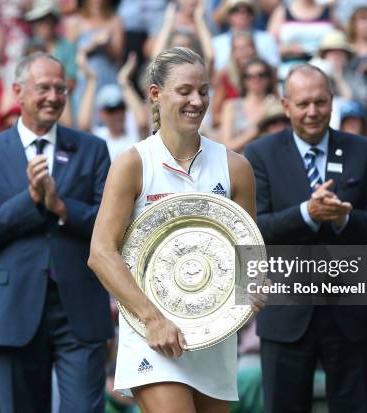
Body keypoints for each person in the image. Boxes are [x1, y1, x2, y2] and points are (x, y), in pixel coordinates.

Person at [88, 47, 262, 413]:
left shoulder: (237, 168)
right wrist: (152, 319)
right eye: (184, 91)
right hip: (154, 337)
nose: (196, 101)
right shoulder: (132, 163)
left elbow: (248, 257)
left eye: (203, 90)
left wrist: (253, 288)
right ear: (156, 94)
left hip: (214, 340)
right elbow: (101, 253)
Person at [244, 64, 367, 412]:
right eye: (302, 104)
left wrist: (345, 218)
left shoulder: (364, 150)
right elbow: (253, 230)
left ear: (332, 101)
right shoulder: (260, 154)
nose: (312, 112)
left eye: (320, 102)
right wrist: (305, 214)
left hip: (350, 315)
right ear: (285, 106)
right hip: (286, 314)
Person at [0, 52, 113, 413]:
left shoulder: (93, 149)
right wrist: (31, 201)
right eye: (43, 87)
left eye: (61, 88)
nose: (53, 96)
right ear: (17, 91)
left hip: (79, 309)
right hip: (14, 308)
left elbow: (112, 226)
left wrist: (62, 207)